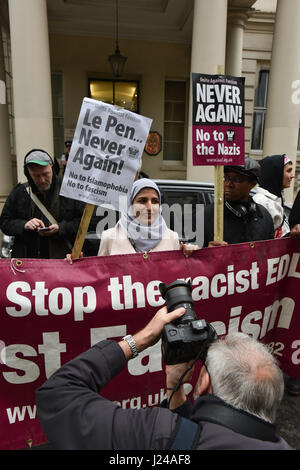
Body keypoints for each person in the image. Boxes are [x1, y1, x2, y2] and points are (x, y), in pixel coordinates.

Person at [35, 305, 292, 450]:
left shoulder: (154, 433)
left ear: (204, 384)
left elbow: (57, 395)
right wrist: (175, 387)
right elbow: (194, 435)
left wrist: (141, 338)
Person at [67, 178, 195, 261]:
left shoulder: (172, 237)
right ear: (130, 204)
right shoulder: (109, 237)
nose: (149, 207)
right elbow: (101, 278)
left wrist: (191, 255)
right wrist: (78, 264)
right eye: (142, 200)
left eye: (155, 201)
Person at [0, 149, 84, 259]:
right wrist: (24, 225)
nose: (42, 180)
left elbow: (84, 222)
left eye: (46, 174)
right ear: (28, 174)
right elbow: (4, 222)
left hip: (63, 261)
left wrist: (61, 228)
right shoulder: (20, 192)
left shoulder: (69, 190)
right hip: (28, 261)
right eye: (36, 176)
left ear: (52, 168)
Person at [203, 157, 274, 247]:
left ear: (253, 184)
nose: (228, 184)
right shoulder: (205, 216)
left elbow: (270, 254)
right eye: (226, 178)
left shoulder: (264, 216)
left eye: (237, 179)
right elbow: (189, 256)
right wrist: (205, 252)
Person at [252, 154, 294, 238]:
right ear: (276, 173)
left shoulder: (275, 199)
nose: (292, 176)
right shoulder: (261, 201)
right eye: (288, 171)